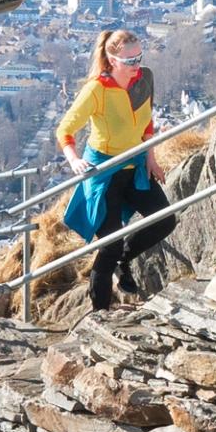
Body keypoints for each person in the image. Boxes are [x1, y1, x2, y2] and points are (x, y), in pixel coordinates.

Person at [55, 27, 170, 310]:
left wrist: (151, 160)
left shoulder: (145, 79)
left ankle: (125, 259)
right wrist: (74, 160)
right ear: (111, 61)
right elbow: (65, 130)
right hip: (103, 173)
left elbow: (146, 125)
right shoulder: (97, 89)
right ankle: (100, 314)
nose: (136, 65)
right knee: (109, 245)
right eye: (129, 60)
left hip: (135, 166)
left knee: (165, 220)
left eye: (139, 57)